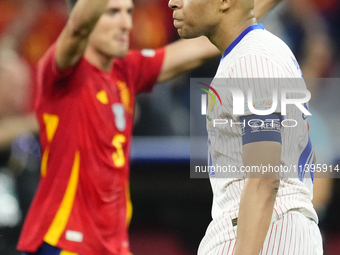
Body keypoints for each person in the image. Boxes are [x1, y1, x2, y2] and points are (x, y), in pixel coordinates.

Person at [17, 0, 283, 254]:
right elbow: (77, 29)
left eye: (128, 12)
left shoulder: (126, 71)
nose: (125, 24)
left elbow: (212, 37)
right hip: (63, 240)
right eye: (112, 12)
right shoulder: (61, 74)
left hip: (111, 245)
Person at [168, 0, 322, 254]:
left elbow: (264, 177)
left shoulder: (252, 59)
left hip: (267, 233)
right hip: (277, 229)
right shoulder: (257, 51)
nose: (173, 2)